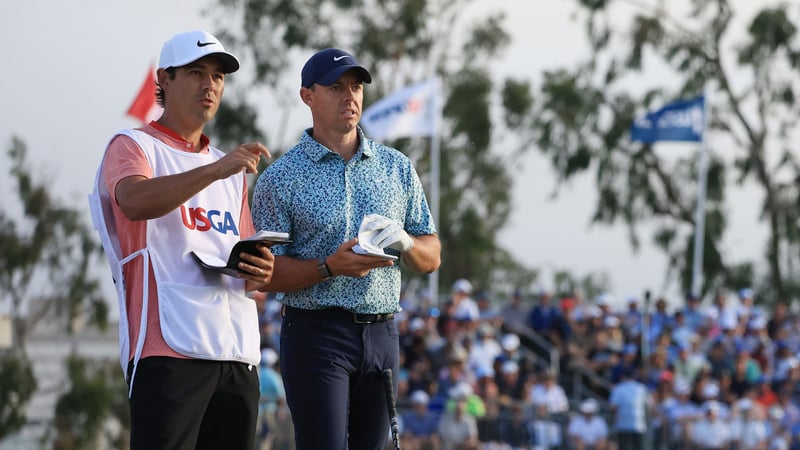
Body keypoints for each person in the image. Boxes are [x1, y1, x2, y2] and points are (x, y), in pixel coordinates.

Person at [90, 29, 274, 450]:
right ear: (165, 79)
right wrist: (214, 169)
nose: (209, 84)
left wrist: (260, 271)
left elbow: (246, 264)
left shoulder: (226, 166)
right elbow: (134, 201)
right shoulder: (133, 145)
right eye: (196, 72)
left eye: (218, 76)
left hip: (236, 353)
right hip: (168, 351)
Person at [251, 47, 441, 450]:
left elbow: (431, 254)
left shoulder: (397, 167)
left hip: (383, 333)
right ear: (308, 96)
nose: (349, 96)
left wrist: (406, 242)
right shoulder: (280, 178)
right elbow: (265, 273)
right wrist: (328, 267)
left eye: (355, 86)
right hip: (315, 333)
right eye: (336, 87)